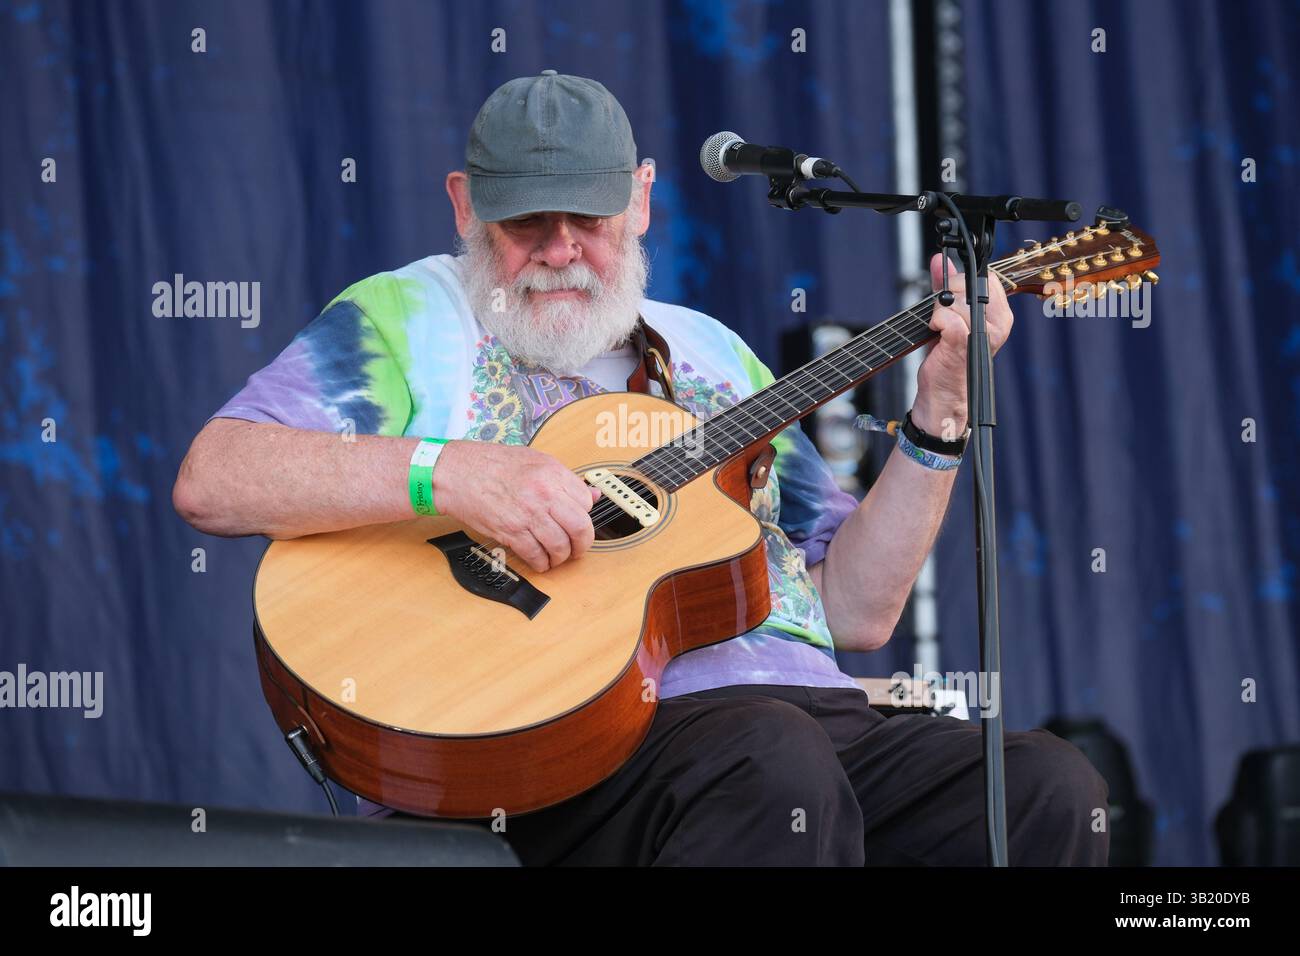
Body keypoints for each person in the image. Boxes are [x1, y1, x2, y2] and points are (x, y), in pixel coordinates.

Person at [173, 71, 1109, 866]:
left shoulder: (715, 354)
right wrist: (454, 474)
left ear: (644, 197)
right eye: (523, 222)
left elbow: (855, 610)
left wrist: (940, 414)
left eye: (588, 216)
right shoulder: (405, 318)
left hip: (799, 725)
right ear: (464, 205)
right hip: (561, 743)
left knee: (1047, 788)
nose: (560, 249)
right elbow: (216, 478)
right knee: (769, 761)